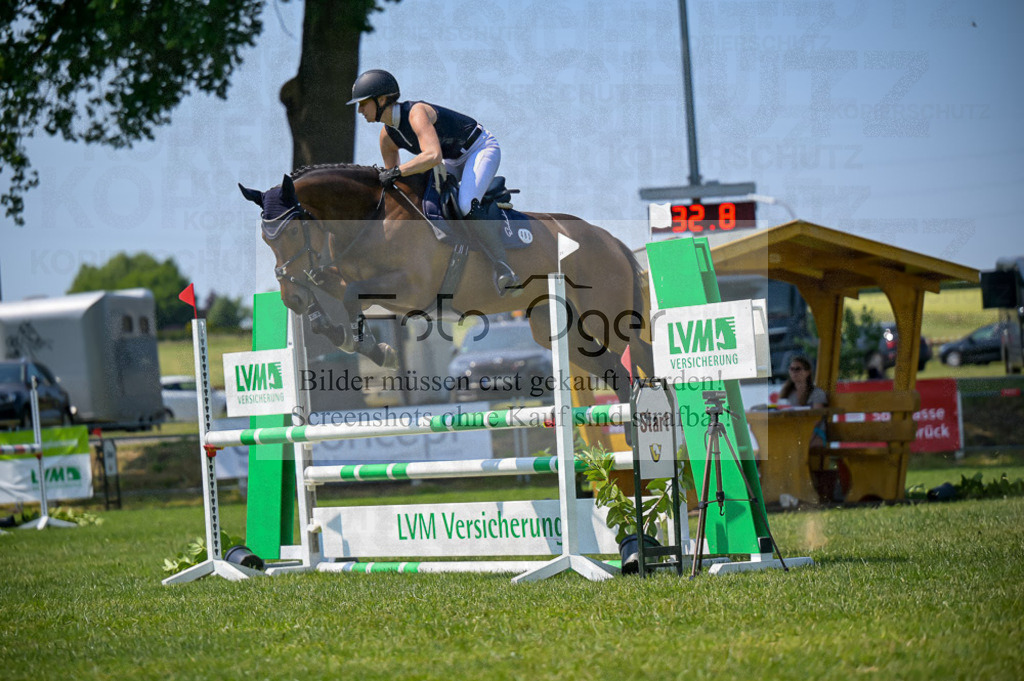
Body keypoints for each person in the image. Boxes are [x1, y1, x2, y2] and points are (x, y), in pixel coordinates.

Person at [347, 69, 520, 296]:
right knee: (426, 201)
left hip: (479, 148)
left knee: (465, 204)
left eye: (363, 104)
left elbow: (433, 156)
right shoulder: (387, 137)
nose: (359, 110)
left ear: (381, 100)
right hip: (451, 159)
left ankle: (504, 267)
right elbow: (394, 183)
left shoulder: (416, 113)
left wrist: (397, 171)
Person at [779, 354, 828, 447]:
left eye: (797, 369)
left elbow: (817, 418)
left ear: (807, 372)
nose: (794, 372)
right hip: (793, 432)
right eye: (791, 369)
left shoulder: (817, 393)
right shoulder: (787, 393)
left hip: (815, 433)